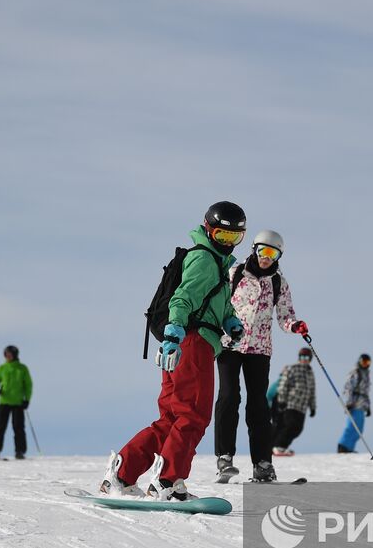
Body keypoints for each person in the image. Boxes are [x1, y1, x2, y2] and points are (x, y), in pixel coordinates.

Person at [101, 201, 245, 500]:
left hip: (184, 344)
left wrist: (230, 320)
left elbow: (214, 303)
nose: (227, 243)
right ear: (208, 229)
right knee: (193, 416)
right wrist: (174, 330)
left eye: (235, 237)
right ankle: (167, 482)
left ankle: (122, 475)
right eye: (222, 235)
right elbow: (183, 298)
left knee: (170, 419)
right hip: (192, 344)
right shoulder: (205, 259)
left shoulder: (216, 263)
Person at [215, 229, 308, 482]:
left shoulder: (278, 282)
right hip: (230, 345)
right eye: (263, 251)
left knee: (258, 405)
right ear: (254, 250)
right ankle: (224, 457)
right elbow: (219, 303)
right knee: (229, 397)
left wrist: (295, 325)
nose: (266, 257)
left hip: (259, 349)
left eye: (272, 253)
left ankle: (263, 464)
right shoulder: (235, 273)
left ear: (279, 256)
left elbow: (285, 316)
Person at [0, 345, 33, 459]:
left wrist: (27, 399)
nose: (7, 356)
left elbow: (28, 385)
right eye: (6, 354)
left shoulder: (22, 369)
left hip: (18, 403)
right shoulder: (2, 368)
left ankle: (20, 451)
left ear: (15, 355)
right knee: (0, 427)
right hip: (4, 402)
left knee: (19, 428)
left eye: (9, 354)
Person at [271, 347, 316, 457]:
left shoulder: (310, 373)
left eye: (306, 358)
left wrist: (313, 407)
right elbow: (283, 384)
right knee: (289, 425)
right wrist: (282, 400)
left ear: (310, 359)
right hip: (291, 404)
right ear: (299, 358)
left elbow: (312, 391)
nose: (304, 360)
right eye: (302, 357)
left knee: (298, 429)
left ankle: (282, 447)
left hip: (302, 407)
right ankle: (278, 446)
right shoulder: (293, 368)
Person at [336, 353, 372, 454]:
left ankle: (349, 447)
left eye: (367, 362)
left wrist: (368, 407)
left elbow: (366, 392)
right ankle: (343, 446)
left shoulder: (366, 374)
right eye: (363, 362)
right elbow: (348, 388)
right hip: (354, 404)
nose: (365, 364)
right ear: (359, 361)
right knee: (352, 426)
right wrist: (348, 403)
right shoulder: (356, 373)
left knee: (359, 429)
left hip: (362, 405)